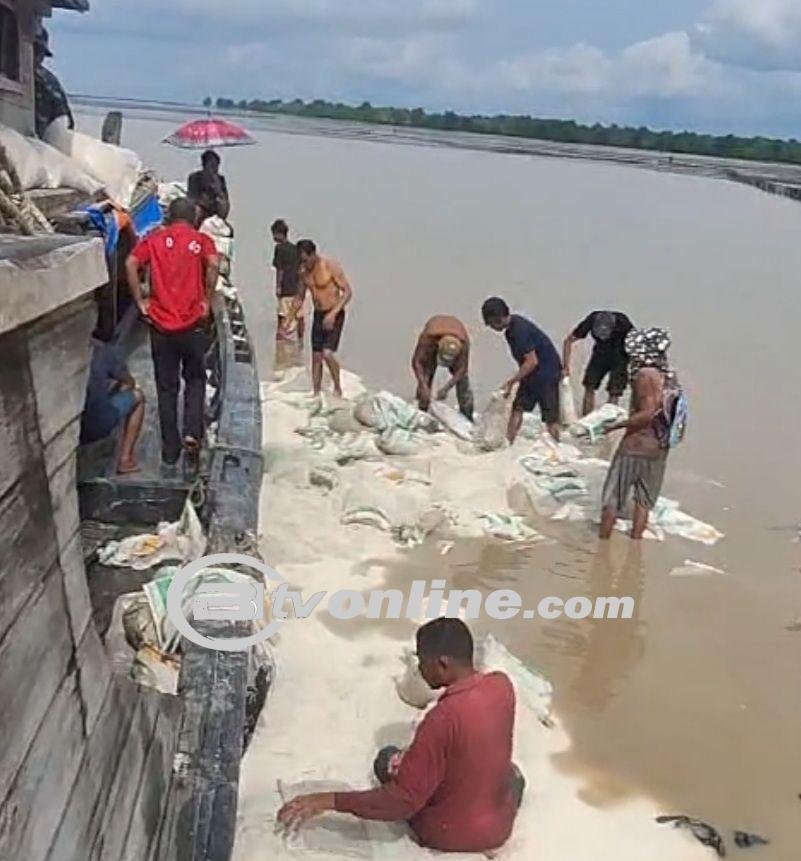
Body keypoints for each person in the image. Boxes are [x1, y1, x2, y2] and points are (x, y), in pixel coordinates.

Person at [277, 618, 525, 854]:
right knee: (511, 773)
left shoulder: (441, 718)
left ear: (443, 664)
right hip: (500, 826)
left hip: (447, 833)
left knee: (387, 760)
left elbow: (402, 801)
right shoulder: (502, 685)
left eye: (422, 661)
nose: (419, 668)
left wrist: (330, 800)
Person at [125, 197, 219, 468]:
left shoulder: (155, 239)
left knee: (166, 388)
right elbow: (213, 265)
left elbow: (131, 262)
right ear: (193, 218)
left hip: (160, 325)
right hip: (192, 325)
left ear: (170, 217)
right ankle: (192, 433)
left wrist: (140, 301)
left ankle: (169, 451)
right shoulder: (201, 241)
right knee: (195, 379)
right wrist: (206, 300)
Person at [599, 328, 675, 541]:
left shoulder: (644, 376)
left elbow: (648, 413)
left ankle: (601, 548)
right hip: (659, 447)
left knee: (613, 498)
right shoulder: (668, 376)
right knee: (643, 501)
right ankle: (635, 545)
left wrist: (615, 426)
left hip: (636, 446)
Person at [481, 297, 562, 444]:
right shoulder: (511, 330)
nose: (492, 327)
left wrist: (512, 381)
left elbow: (532, 361)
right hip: (533, 374)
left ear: (497, 318)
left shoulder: (519, 330)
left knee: (550, 417)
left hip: (547, 373)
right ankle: (508, 443)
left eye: (491, 323)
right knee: (518, 407)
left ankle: (557, 447)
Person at [80, 333, 144, 475]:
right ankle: (125, 460)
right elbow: (129, 382)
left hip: (74, 424)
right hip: (95, 426)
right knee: (138, 396)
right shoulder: (101, 350)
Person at [295, 239, 353, 398]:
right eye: (301, 260)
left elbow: (347, 292)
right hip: (319, 314)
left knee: (328, 353)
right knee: (316, 356)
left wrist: (333, 313)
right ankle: (316, 391)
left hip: (335, 313)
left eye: (306, 259)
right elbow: (300, 296)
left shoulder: (329, 266)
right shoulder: (303, 272)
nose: (304, 263)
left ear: (313, 254)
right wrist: (290, 317)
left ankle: (337, 387)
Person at [563, 310, 635, 416]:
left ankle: (609, 418)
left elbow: (634, 343)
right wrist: (566, 367)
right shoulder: (592, 319)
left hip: (621, 355)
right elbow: (568, 341)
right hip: (600, 354)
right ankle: (586, 417)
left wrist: (635, 367)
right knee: (589, 385)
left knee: (615, 390)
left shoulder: (622, 322)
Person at [412, 315, 473, 420]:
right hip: (433, 345)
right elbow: (416, 362)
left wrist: (447, 388)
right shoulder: (428, 338)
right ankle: (421, 412)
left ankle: (467, 415)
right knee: (426, 376)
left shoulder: (463, 343)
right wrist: (422, 384)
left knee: (463, 383)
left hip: (455, 342)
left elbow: (462, 369)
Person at [33, 26, 74, 140]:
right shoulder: (7, 72)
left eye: (39, 51)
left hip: (36, 151)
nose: (35, 56)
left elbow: (65, 125)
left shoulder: (50, 83)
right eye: (33, 49)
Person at [271, 219, 304, 344]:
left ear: (278, 234)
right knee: (299, 315)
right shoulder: (296, 249)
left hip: (286, 287)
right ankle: (301, 341)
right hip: (297, 287)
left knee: (282, 314)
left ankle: (279, 338)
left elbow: (280, 269)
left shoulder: (279, 248)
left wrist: (278, 286)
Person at [187, 150, 229, 222]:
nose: (215, 169)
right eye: (212, 166)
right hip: (199, 214)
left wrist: (218, 191)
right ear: (204, 165)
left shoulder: (220, 179)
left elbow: (225, 202)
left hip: (216, 215)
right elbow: (192, 199)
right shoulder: (195, 177)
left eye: (217, 166)